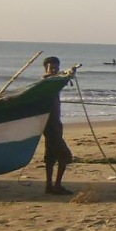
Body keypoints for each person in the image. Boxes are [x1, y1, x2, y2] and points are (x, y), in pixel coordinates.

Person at [42, 57, 75, 195]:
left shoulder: (55, 81)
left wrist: (70, 73)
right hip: (50, 126)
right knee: (65, 156)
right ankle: (57, 185)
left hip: (55, 124)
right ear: (46, 69)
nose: (54, 70)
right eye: (51, 68)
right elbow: (58, 80)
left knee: (50, 156)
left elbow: (61, 80)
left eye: (56, 67)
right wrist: (70, 75)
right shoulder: (47, 82)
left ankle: (49, 186)